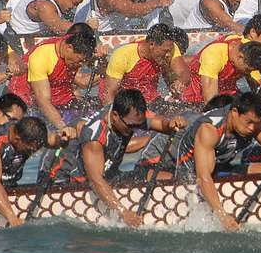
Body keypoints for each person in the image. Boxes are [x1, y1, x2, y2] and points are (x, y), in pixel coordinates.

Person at [44, 89, 187, 227]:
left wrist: (171, 124)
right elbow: (96, 180)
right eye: (131, 126)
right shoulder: (94, 137)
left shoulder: (132, 115)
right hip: (74, 181)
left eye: (138, 125)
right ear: (115, 116)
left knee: (165, 176)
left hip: (108, 174)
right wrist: (123, 212)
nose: (134, 129)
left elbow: (160, 123)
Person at [167, 92, 261, 230]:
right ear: (235, 112)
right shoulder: (209, 129)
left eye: (255, 123)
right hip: (191, 176)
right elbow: (203, 178)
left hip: (220, 169)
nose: (252, 128)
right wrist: (222, 216)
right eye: (248, 122)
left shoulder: (254, 123)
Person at [8, 31, 97, 138]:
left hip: (55, 94)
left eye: (84, 61)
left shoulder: (73, 44)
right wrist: (63, 127)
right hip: (26, 100)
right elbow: (43, 101)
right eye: (79, 61)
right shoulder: (42, 57)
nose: (81, 65)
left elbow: (83, 82)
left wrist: (103, 64)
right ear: (69, 48)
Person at [100, 23, 190, 105]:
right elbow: (109, 95)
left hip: (150, 99)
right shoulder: (123, 55)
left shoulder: (170, 47)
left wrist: (180, 82)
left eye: (170, 51)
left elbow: (184, 72)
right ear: (152, 45)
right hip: (125, 102)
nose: (168, 55)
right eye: (165, 51)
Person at [0, 116, 50, 227]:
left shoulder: (27, 134)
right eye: (30, 150)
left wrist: (64, 136)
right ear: (17, 139)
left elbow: (53, 140)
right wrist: (12, 218)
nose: (33, 152)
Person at [182, 39, 261, 104]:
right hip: (196, 97)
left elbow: (258, 88)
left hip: (227, 92)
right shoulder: (214, 56)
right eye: (247, 70)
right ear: (240, 57)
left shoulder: (249, 48)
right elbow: (210, 103)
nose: (248, 73)